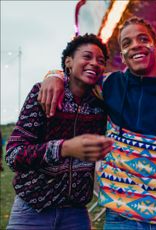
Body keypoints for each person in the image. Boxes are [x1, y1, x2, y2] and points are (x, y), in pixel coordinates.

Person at [38, 17, 156, 230]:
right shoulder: (110, 85)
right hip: (119, 219)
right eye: (127, 43)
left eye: (142, 38)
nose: (135, 45)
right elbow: (76, 75)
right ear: (123, 56)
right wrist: (53, 75)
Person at [5, 34, 114, 230]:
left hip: (76, 213)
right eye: (87, 57)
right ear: (69, 62)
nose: (94, 64)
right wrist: (64, 148)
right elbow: (14, 155)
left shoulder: (101, 103)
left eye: (101, 60)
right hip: (33, 209)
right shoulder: (43, 93)